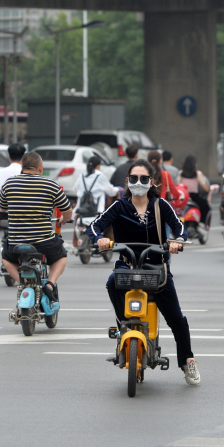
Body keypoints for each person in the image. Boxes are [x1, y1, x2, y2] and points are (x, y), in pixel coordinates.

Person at [88, 159, 201, 386]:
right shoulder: (119, 206)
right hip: (126, 267)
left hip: (156, 269)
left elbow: (180, 227)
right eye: (133, 178)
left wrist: (178, 241)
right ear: (127, 181)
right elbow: (94, 225)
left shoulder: (161, 206)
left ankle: (187, 361)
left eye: (143, 178)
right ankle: (124, 326)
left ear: (152, 182)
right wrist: (99, 238)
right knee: (112, 282)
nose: (138, 182)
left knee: (177, 320)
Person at [0, 152, 73, 302]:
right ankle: (50, 284)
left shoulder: (9, 183)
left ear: (22, 167)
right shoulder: (51, 184)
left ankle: (23, 284)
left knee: (6, 258)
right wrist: (63, 220)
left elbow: (2, 207)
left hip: (16, 243)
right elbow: (68, 211)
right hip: (43, 242)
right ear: (40, 168)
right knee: (61, 256)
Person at [0, 143, 26, 220]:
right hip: (23, 215)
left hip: (2, 216)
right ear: (24, 157)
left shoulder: (0, 173)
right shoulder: (27, 173)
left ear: (9, 157)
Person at [177, 154, 211, 226]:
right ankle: (203, 223)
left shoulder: (181, 173)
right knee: (206, 207)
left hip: (183, 198)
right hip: (194, 197)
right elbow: (205, 188)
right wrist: (209, 189)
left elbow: (177, 185)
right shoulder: (197, 173)